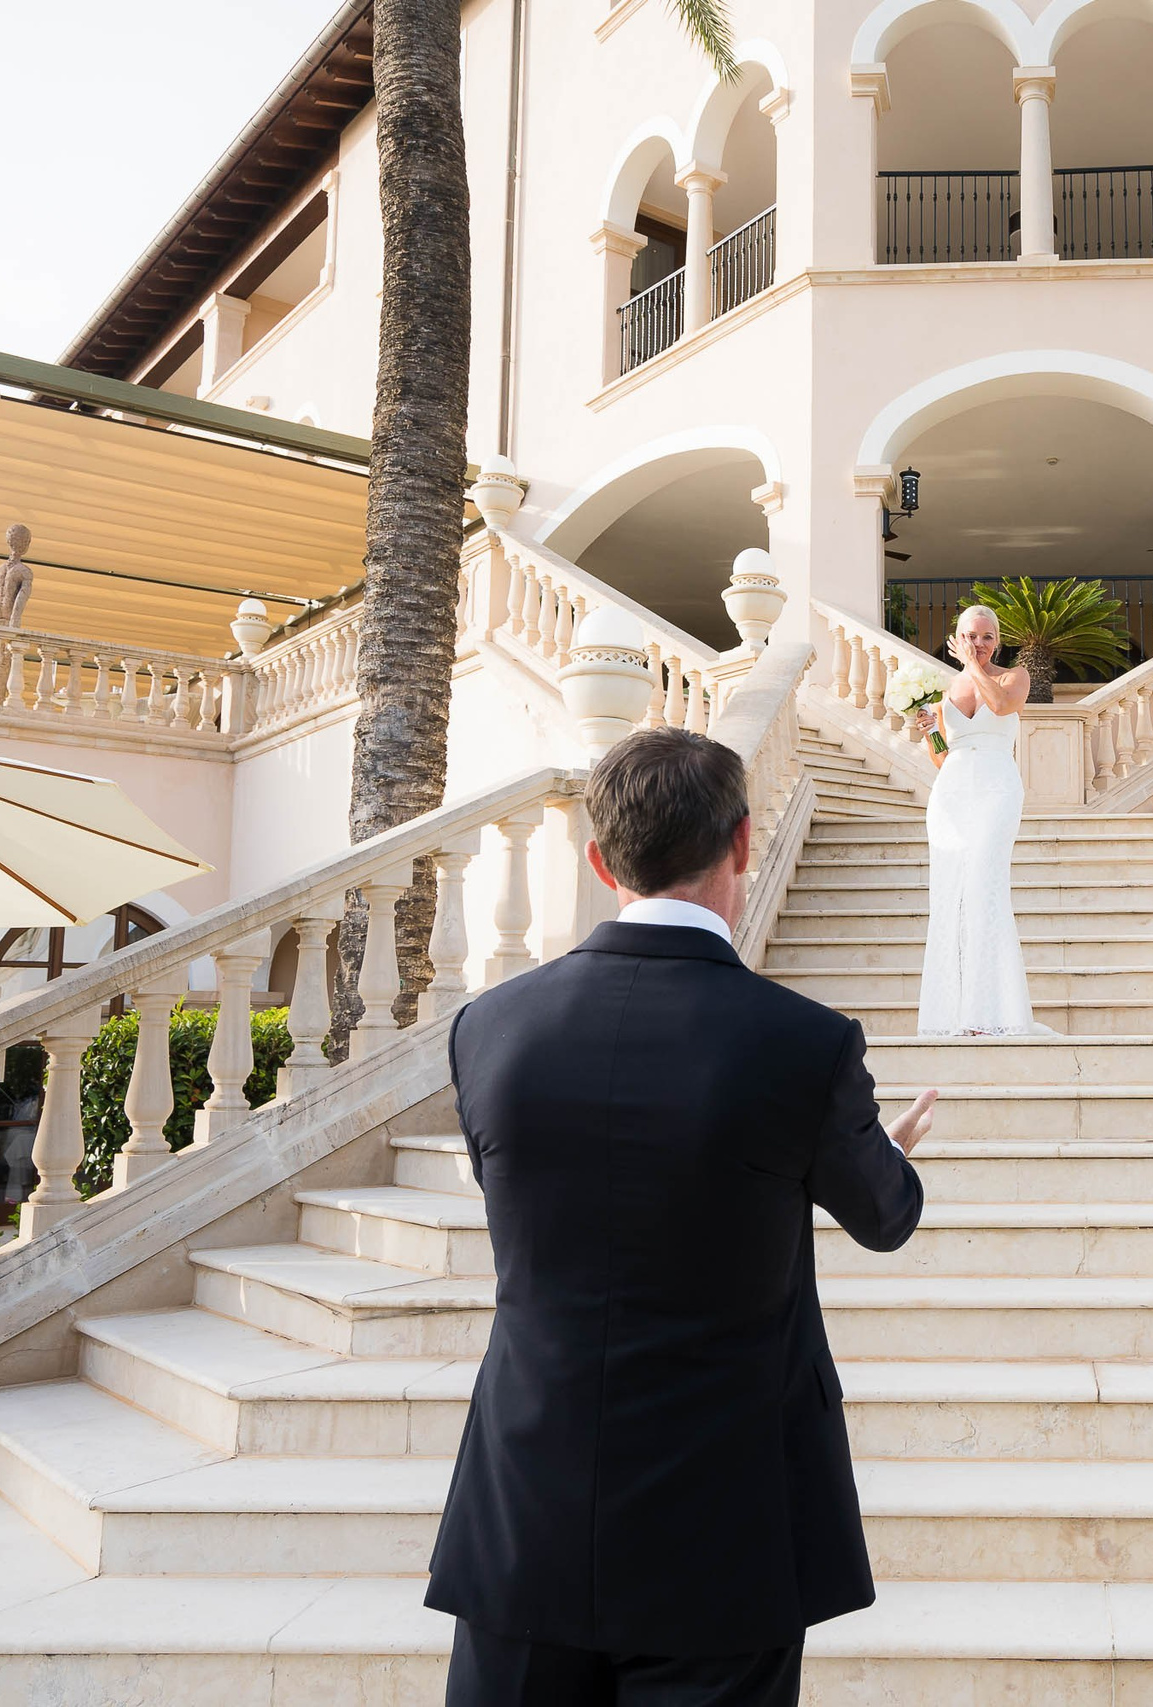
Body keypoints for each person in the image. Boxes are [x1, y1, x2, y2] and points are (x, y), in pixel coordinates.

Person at [427, 726, 937, 1707]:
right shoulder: (804, 1045)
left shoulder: (488, 1028)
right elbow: (885, 1216)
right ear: (742, 844)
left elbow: (536, 1216)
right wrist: (885, 1149)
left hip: (524, 1510)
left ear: (597, 858)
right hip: (728, 1529)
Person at [909, 605, 1042, 1036]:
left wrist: (971, 666)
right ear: (958, 637)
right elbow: (942, 755)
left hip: (997, 789)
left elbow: (1001, 706)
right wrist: (929, 726)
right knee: (951, 895)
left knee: (986, 887)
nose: (979, 644)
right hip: (952, 793)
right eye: (970, 636)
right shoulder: (945, 689)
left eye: (986, 637)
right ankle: (952, 1014)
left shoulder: (1013, 677)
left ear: (998, 641)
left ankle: (992, 1014)